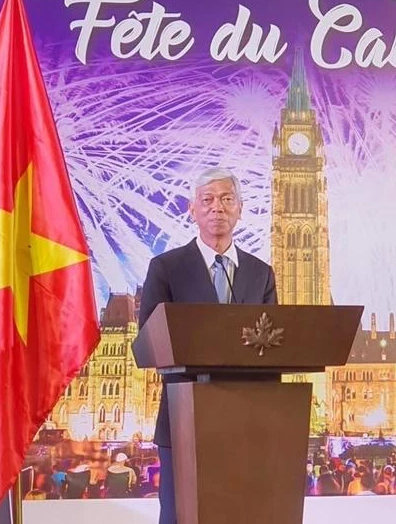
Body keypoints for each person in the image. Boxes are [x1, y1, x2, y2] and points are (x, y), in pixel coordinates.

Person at [137, 167, 277, 524]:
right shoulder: (165, 268)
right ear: (192, 209)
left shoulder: (261, 273)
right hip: (184, 418)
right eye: (208, 200)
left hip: (246, 422)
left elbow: (275, 345)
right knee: (180, 515)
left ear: (240, 209)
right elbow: (150, 343)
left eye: (227, 199)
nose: (218, 208)